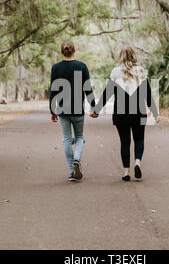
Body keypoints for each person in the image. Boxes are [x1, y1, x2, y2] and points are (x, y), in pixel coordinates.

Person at [93, 46, 159, 181]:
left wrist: (96, 110)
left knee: (125, 142)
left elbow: (107, 93)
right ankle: (137, 162)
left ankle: (126, 173)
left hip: (121, 113)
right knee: (139, 139)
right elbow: (148, 95)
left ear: (120, 56)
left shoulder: (115, 72)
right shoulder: (141, 71)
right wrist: (155, 113)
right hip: (138, 112)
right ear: (134, 56)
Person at [50, 40, 98, 182]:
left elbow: (53, 90)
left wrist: (52, 111)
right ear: (74, 51)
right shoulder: (81, 66)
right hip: (77, 109)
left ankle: (72, 171)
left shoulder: (56, 68)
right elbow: (88, 88)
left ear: (62, 51)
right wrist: (94, 107)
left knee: (66, 138)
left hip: (62, 109)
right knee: (79, 137)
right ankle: (77, 159)